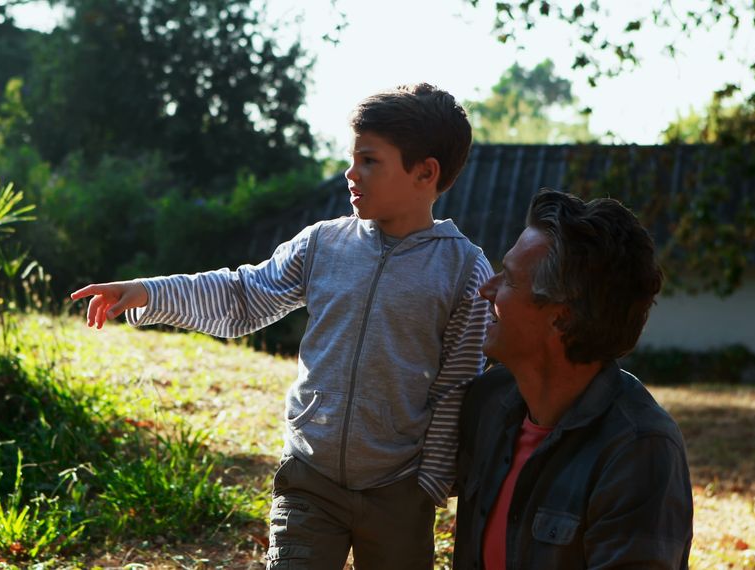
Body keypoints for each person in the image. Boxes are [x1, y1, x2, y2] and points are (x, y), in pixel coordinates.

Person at [71, 83, 493, 568]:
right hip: (309, 480)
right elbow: (244, 295)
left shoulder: (464, 272)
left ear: (426, 172)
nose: (350, 173)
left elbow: (458, 385)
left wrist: (429, 485)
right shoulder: (323, 244)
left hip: (399, 492)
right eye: (352, 158)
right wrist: (150, 291)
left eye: (369, 161)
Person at [453, 189, 694, 569]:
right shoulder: (485, 402)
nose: (487, 289)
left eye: (510, 280)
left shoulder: (639, 449)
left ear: (561, 318)